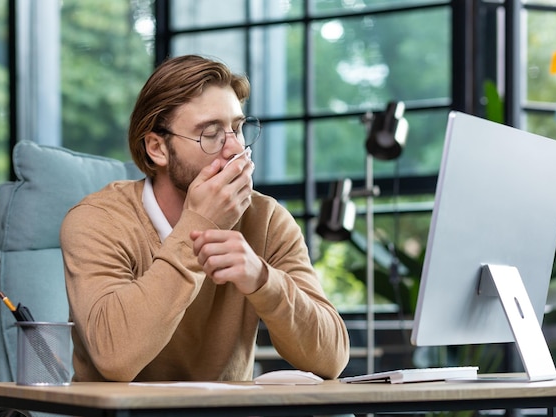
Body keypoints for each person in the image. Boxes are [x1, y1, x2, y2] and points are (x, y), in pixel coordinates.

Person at [60, 54, 350, 383]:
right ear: (157, 148)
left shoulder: (266, 220)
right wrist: (200, 225)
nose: (234, 149)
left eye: (238, 129)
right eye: (210, 133)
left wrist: (262, 280)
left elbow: (331, 358)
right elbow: (115, 357)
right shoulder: (98, 221)